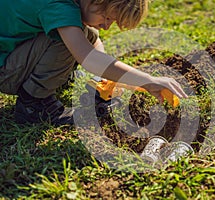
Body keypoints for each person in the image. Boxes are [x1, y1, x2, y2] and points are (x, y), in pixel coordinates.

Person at [0, 0, 188, 125]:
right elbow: (89, 58)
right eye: (107, 18)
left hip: (12, 53)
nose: (107, 26)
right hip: (5, 72)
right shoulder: (58, 5)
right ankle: (33, 104)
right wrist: (146, 80)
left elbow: (94, 42)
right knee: (63, 41)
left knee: (86, 34)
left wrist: (102, 78)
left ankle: (53, 77)